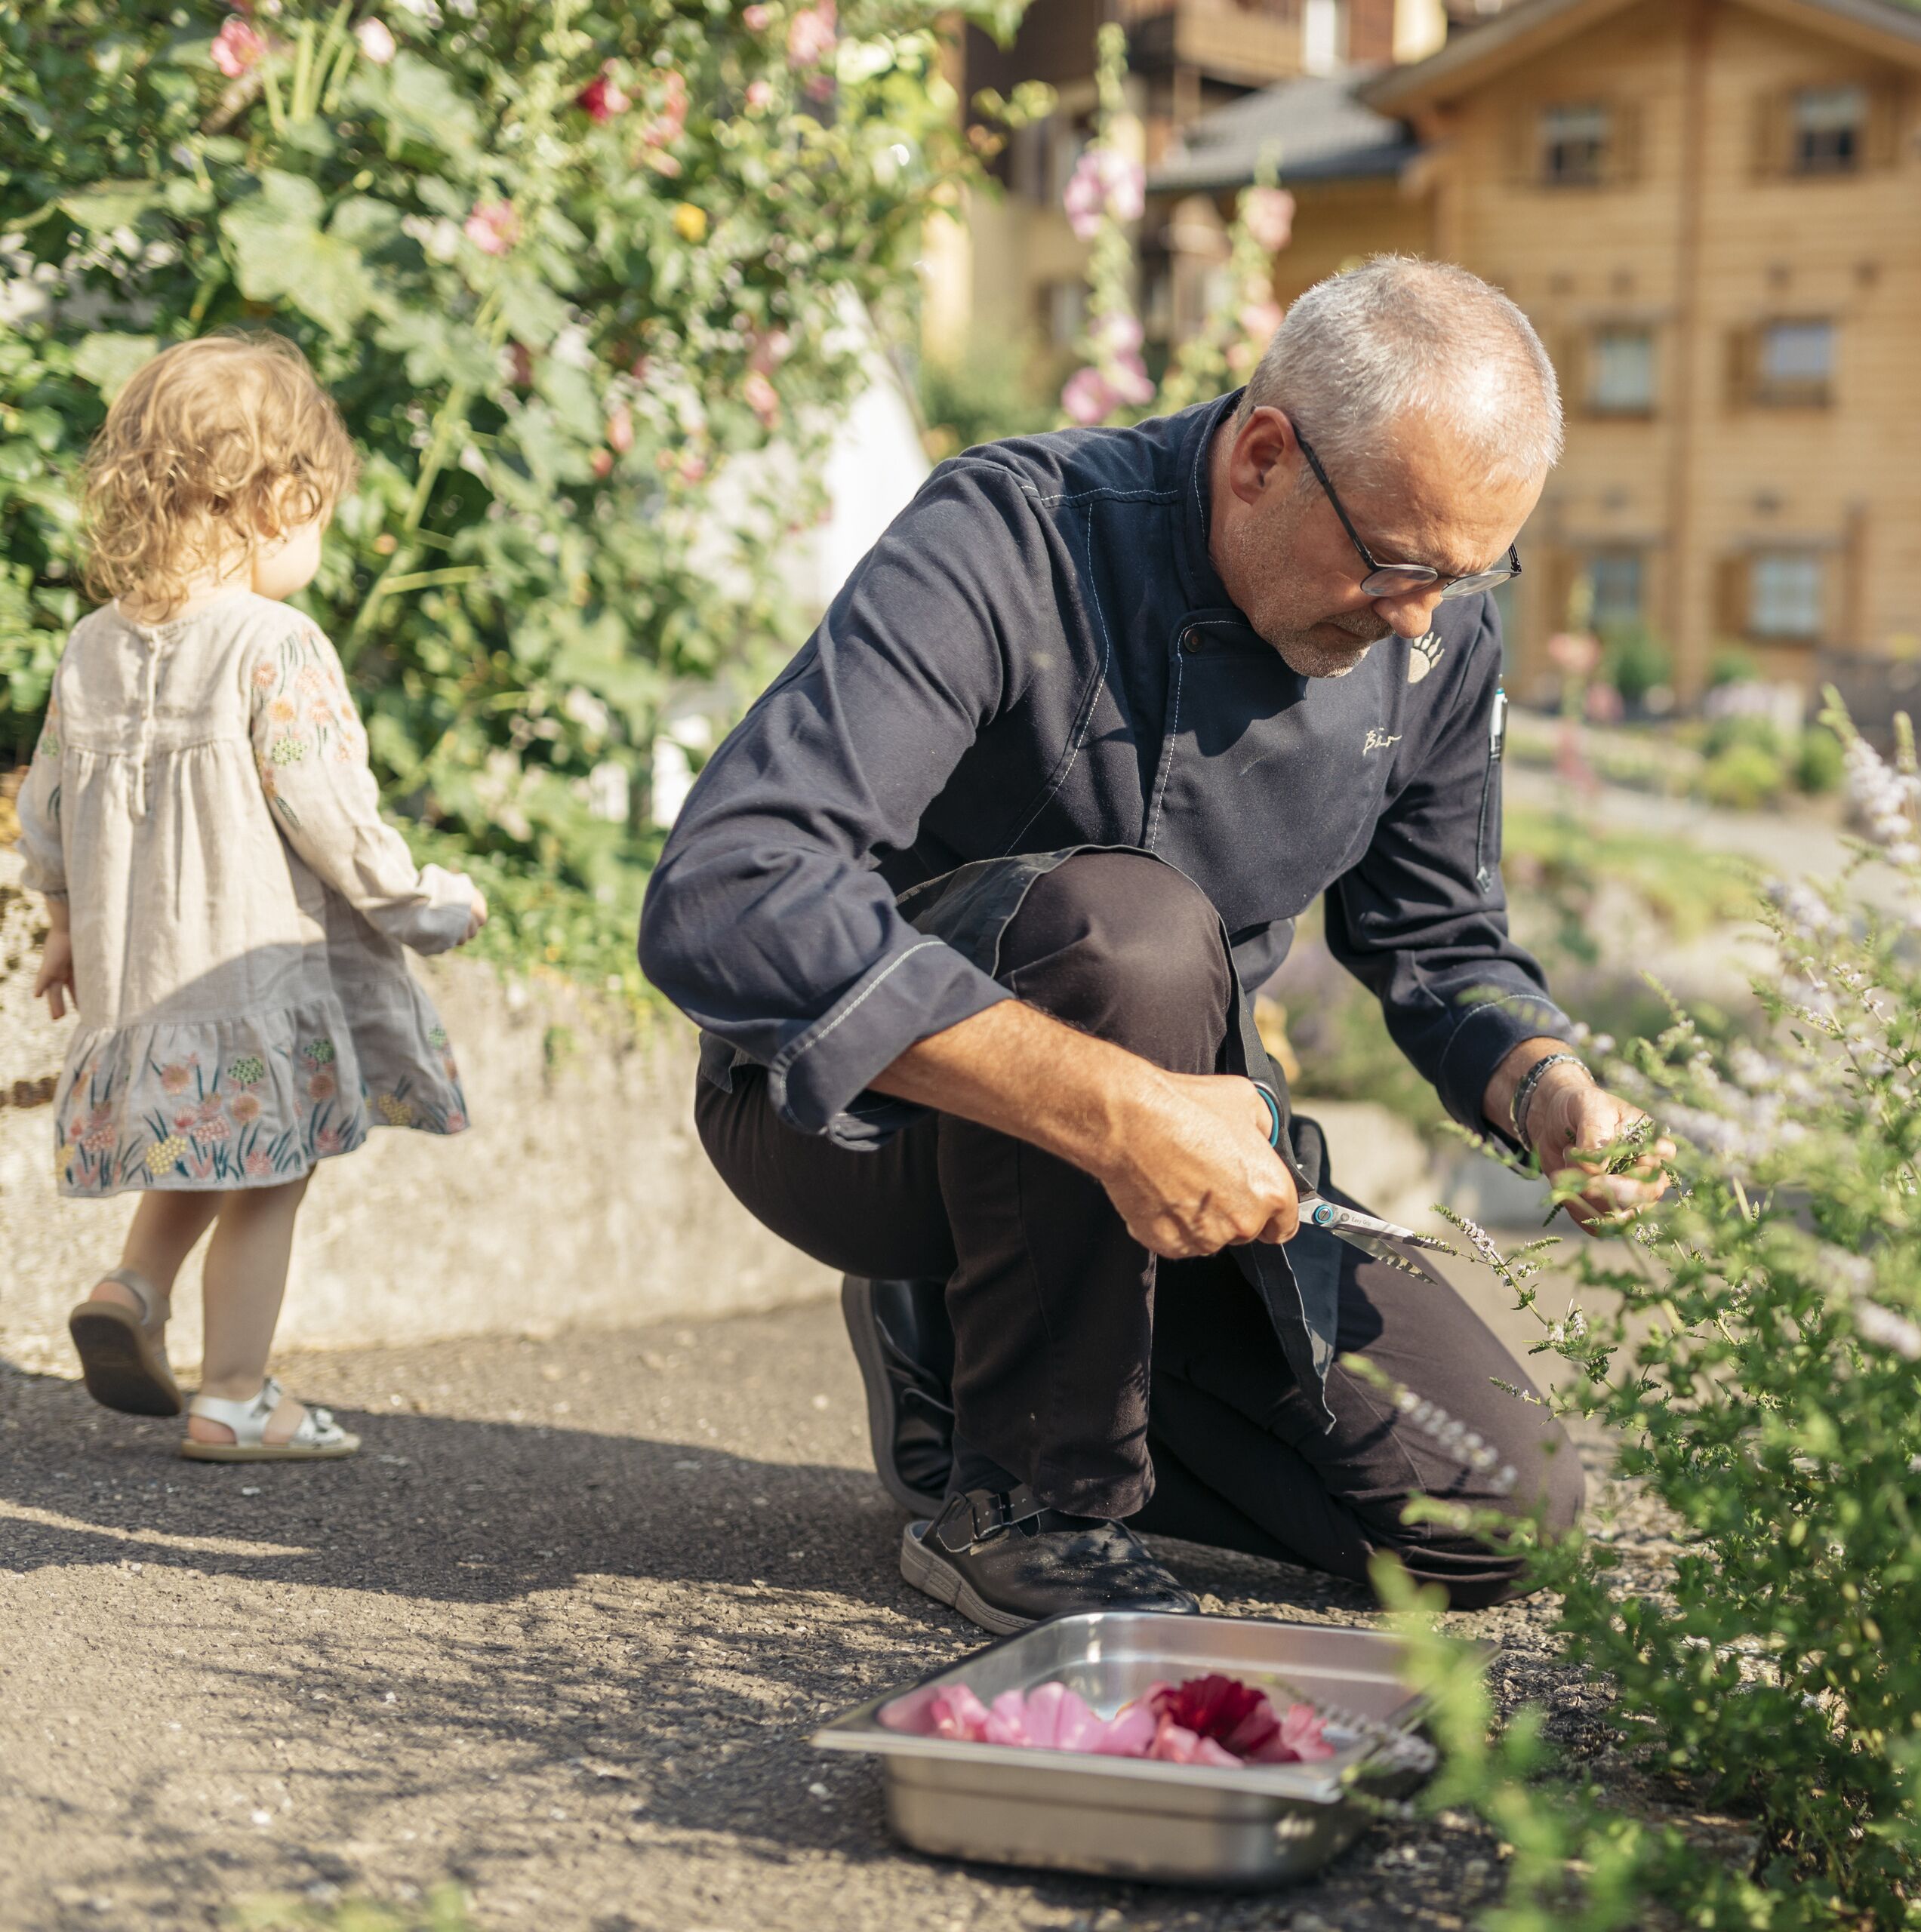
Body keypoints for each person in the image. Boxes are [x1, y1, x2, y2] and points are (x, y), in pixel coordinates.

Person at [641, 257, 1670, 1632]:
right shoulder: (1014, 536)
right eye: (1397, 564)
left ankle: (958, 1367)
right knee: (1130, 932)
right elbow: (731, 888)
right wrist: (1120, 1111)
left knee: (1495, 1511)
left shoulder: (1433, 625)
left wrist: (1542, 1083)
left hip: (1190, 1136)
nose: (1420, 618)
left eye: (1471, 574)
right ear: (1261, 457)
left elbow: (1436, 934)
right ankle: (1031, 1497)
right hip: (867, 1129)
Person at [20, 333, 489, 1462]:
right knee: (271, 1173)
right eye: (321, 515)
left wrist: (64, 925)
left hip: (142, 989)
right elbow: (331, 815)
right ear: (279, 501)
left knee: (206, 1142)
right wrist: (426, 904)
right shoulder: (275, 644)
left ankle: (133, 1286)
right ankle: (234, 1397)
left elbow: (46, 809)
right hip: (255, 989)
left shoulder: (91, 646)